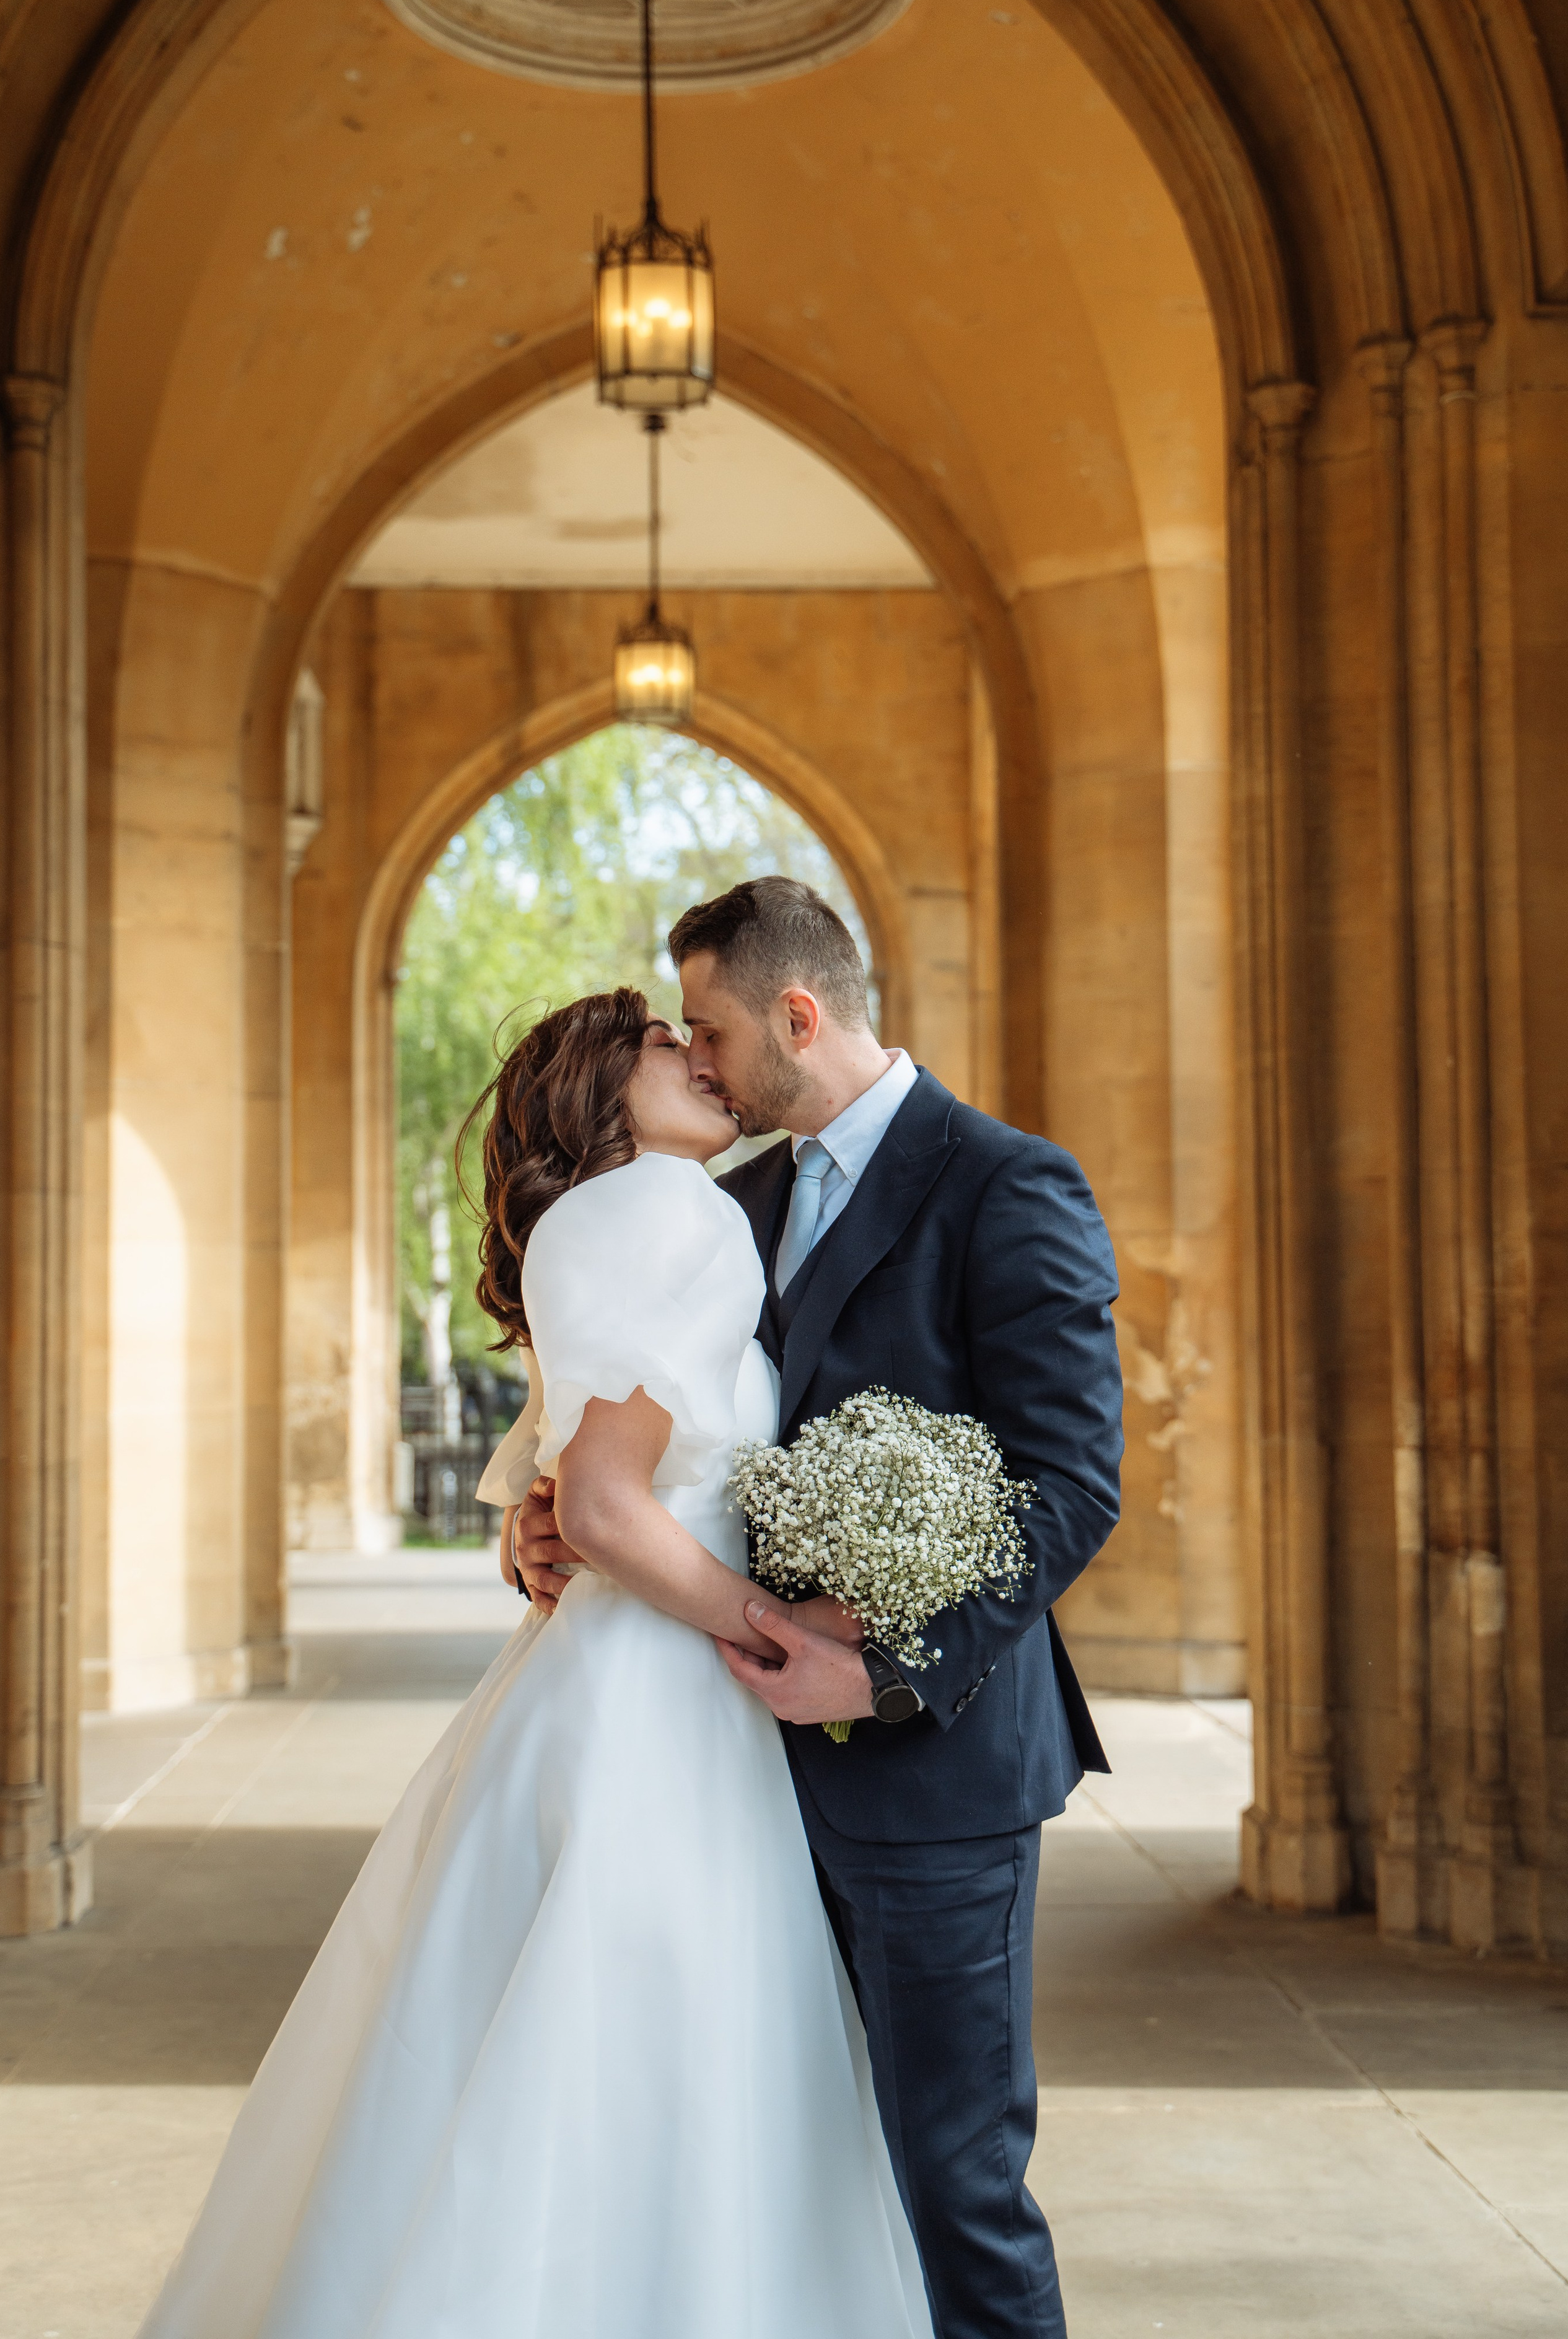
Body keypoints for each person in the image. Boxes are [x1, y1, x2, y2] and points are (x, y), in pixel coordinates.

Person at [136, 988, 932, 2339]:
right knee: (655, 2054)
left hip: (602, 1680)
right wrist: (776, 1629)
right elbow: (614, 1511)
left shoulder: (598, 1223)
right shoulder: (670, 1215)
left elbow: (577, 1477)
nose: (700, 1056)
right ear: (597, 1092)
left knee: (529, 2045)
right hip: (666, 1699)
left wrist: (544, 1515)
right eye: (664, 1043)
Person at [513, 880, 1123, 2339]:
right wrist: (552, 1534)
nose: (701, 1062)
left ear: (797, 1015)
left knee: (950, 2180)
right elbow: (660, 1451)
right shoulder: (724, 1203)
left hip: (932, 1773)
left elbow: (1068, 1485)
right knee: (783, 2182)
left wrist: (888, 1672)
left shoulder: (1004, 1183)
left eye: (715, 1031)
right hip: (724, 1778)